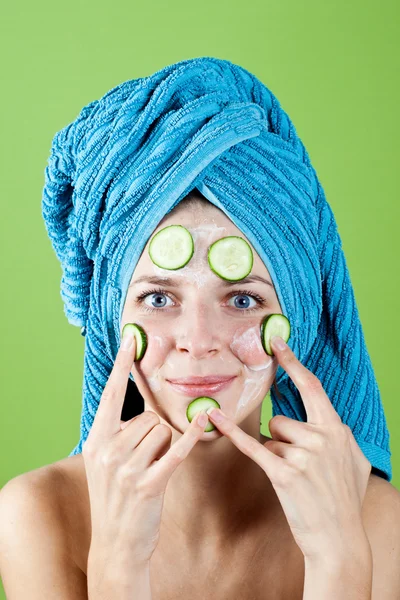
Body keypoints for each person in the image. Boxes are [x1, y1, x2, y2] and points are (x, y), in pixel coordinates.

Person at [0, 57, 399, 599]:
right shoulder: (39, 514)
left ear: (296, 318)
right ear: (110, 320)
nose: (199, 338)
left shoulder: (380, 524)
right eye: (159, 297)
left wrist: (338, 561)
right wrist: (119, 562)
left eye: (241, 298)